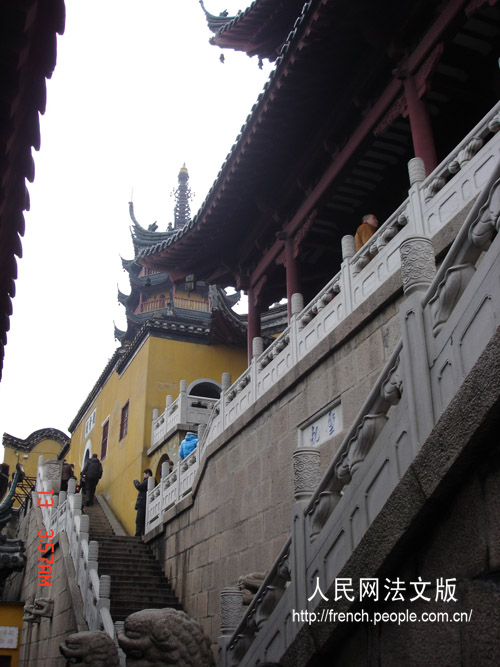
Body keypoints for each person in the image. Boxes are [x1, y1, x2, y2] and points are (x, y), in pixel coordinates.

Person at [134, 469, 152, 537]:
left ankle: (138, 534)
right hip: (144, 503)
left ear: (148, 474)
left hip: (142, 503)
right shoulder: (148, 481)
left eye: (144, 474)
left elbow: (139, 487)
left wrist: (135, 481)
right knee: (142, 520)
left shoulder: (148, 480)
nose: (144, 476)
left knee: (139, 519)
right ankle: (141, 533)